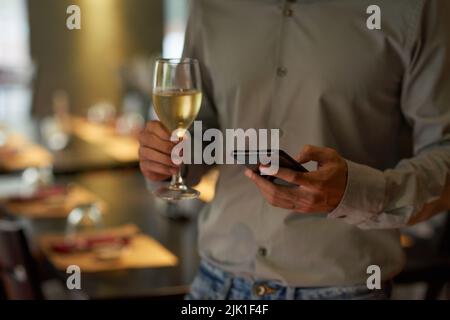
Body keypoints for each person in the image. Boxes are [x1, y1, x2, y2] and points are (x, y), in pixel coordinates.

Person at [139, 0, 450, 300]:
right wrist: (169, 158)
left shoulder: (414, 7)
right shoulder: (210, 5)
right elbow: (201, 126)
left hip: (343, 289)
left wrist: (354, 193)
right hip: (217, 284)